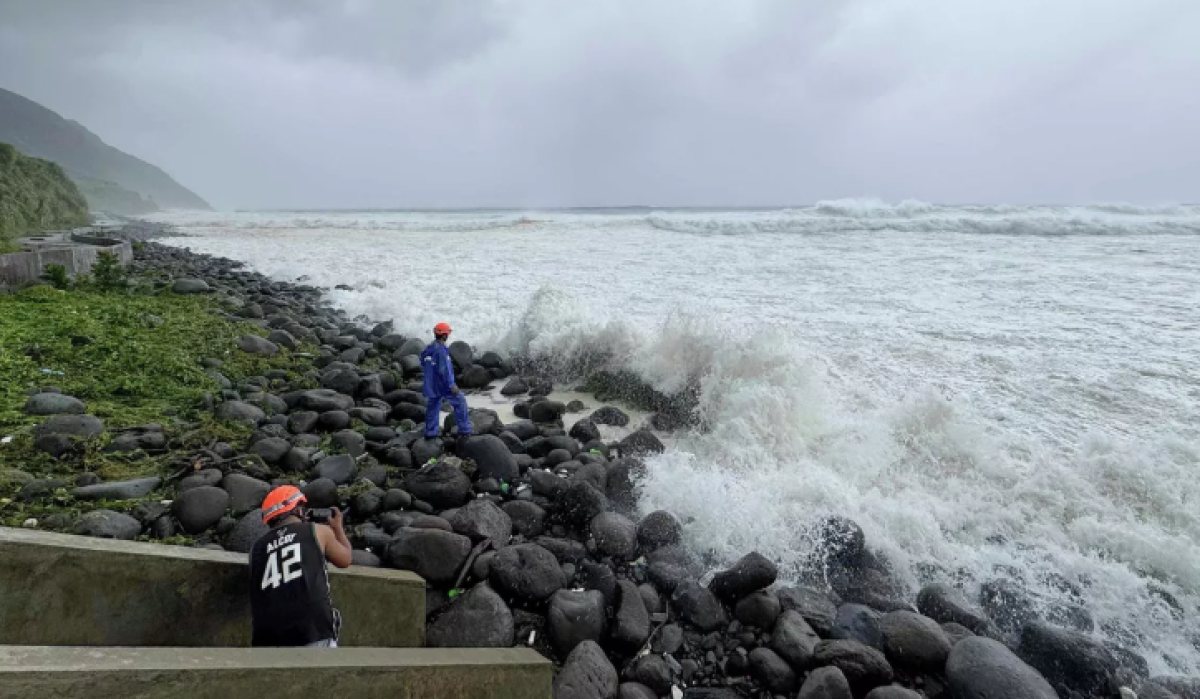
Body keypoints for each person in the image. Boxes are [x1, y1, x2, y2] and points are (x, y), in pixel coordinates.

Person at [249, 485, 352, 647]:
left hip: (267, 639)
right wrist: (338, 529)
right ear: (296, 509)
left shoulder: (257, 547)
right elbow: (345, 559)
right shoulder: (317, 530)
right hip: (312, 631)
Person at [421, 321, 473, 448]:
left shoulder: (429, 348)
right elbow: (444, 370)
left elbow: (422, 361)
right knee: (460, 401)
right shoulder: (441, 352)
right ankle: (465, 430)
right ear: (444, 335)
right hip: (443, 385)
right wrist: (451, 385)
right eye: (447, 333)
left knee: (433, 406)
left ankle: (431, 432)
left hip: (431, 384)